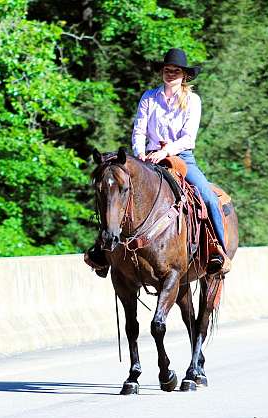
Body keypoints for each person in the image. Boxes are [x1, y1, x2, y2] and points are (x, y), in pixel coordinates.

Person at [85, 48, 231, 277]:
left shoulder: (192, 100)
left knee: (207, 197)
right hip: (147, 158)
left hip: (180, 158)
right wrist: (140, 153)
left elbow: (188, 137)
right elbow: (139, 129)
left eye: (176, 71)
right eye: (167, 70)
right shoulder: (149, 97)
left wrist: (165, 153)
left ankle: (217, 251)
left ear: (185, 75)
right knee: (115, 192)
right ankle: (103, 249)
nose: (170, 73)